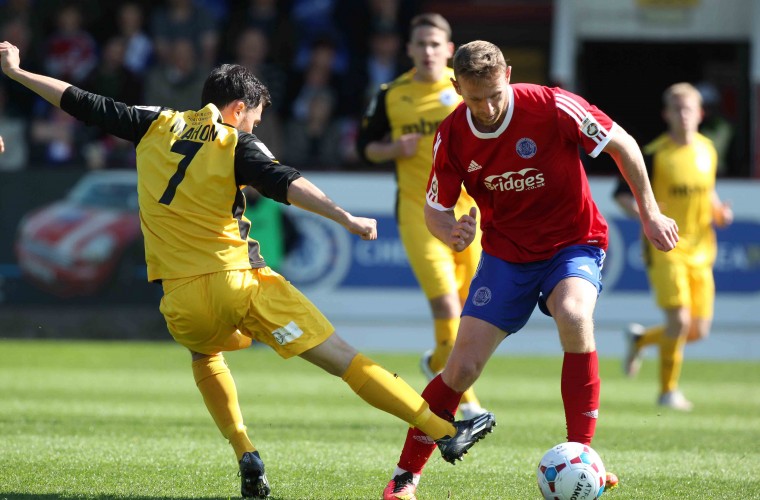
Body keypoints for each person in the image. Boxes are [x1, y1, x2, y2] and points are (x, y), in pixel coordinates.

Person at [1, 40, 496, 499]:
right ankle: (444, 432)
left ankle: (246, 451)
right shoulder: (234, 142)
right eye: (255, 117)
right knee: (345, 359)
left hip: (179, 300)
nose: (255, 127)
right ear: (239, 108)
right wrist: (344, 216)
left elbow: (80, 100)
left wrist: (17, 71)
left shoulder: (154, 122)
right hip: (241, 283)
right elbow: (287, 183)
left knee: (206, 357)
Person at [380, 40, 679, 500]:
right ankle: (404, 478)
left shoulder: (552, 105)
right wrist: (449, 232)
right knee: (460, 368)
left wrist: (650, 213)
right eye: (474, 98)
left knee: (575, 316)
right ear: (457, 87)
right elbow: (435, 209)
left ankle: (582, 459)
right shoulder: (452, 134)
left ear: (509, 75)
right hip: (506, 256)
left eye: (494, 93)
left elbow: (624, 144)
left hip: (573, 245)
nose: (487, 106)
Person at [357, 13, 487, 422]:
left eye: (436, 44)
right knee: (448, 306)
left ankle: (437, 363)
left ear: (449, 50)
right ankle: (462, 400)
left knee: (471, 311)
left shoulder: (464, 88)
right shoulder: (391, 94)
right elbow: (364, 147)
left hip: (471, 214)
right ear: (409, 50)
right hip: (421, 216)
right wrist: (394, 149)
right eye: (421, 44)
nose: (428, 51)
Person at [614, 82, 733, 411]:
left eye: (689, 109)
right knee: (679, 323)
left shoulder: (708, 150)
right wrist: (649, 215)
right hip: (666, 247)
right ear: (667, 114)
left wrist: (719, 212)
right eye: (677, 109)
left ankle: (641, 339)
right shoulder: (654, 153)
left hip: (702, 249)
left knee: (697, 330)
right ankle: (668, 392)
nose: (683, 115)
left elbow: (707, 191)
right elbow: (622, 194)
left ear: (700, 113)